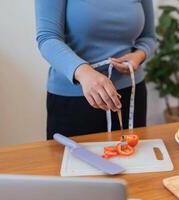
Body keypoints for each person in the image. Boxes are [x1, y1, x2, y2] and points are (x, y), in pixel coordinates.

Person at [35, 0, 157, 139]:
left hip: (130, 94)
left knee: (133, 158)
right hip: (75, 98)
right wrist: (84, 73)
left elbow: (149, 37)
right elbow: (47, 38)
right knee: (74, 160)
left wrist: (138, 55)